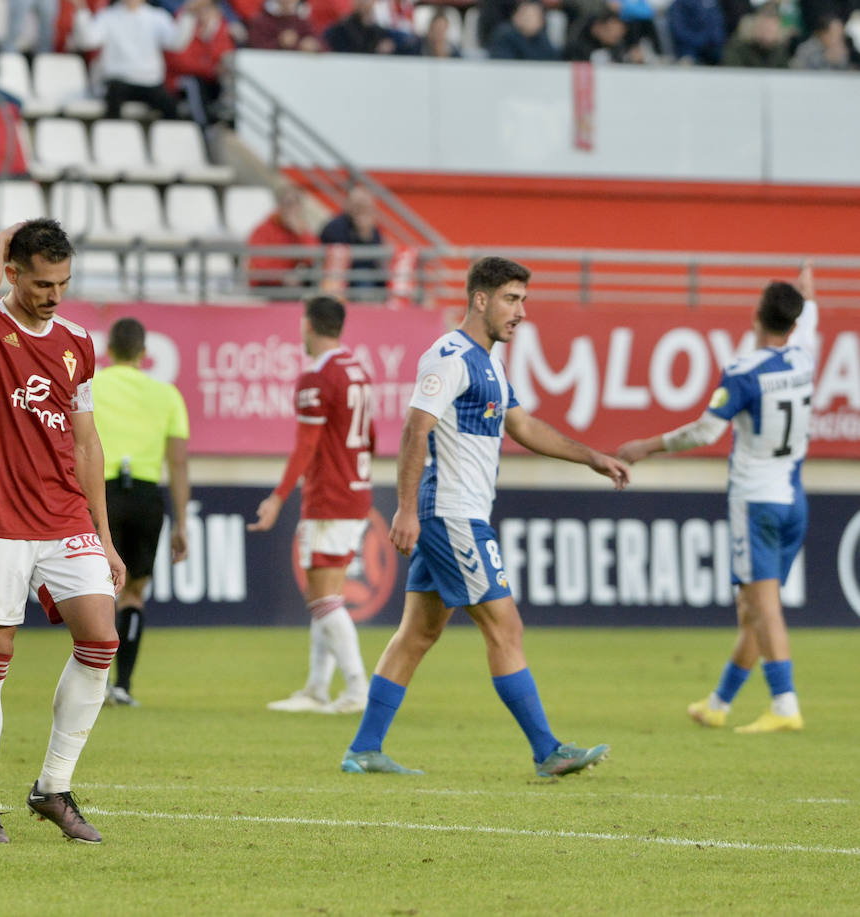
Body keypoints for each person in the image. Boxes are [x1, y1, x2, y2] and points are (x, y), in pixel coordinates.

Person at [341, 256, 629, 778]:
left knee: (418, 634)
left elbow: (523, 426)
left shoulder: (489, 362)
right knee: (505, 626)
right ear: (480, 299)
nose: (521, 312)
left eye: (523, 301)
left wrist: (592, 457)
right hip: (452, 514)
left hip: (452, 513)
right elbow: (414, 428)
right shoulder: (450, 356)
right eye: (511, 300)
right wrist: (404, 509)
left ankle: (364, 749)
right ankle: (548, 751)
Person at [0, 218, 124, 845]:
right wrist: (0, 238)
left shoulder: (78, 341)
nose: (54, 295)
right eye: (43, 282)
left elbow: (86, 441)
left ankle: (53, 786)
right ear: (14, 273)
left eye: (64, 283)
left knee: (101, 638)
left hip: (64, 515)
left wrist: (103, 534)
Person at [616, 264, 817, 734]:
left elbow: (707, 430)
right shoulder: (805, 358)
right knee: (751, 607)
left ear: (755, 316)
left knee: (763, 605)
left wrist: (646, 446)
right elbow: (808, 324)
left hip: (757, 501)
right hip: (795, 496)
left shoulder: (745, 372)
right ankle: (719, 703)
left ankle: (785, 704)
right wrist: (809, 298)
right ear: (794, 322)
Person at [248, 297, 373, 714]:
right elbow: (369, 435)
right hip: (356, 488)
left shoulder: (316, 377)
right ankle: (317, 689)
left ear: (308, 326)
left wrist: (278, 497)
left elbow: (307, 444)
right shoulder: (356, 370)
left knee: (322, 598)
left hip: (330, 495)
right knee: (328, 595)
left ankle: (357, 689)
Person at [90, 316, 190, 707]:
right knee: (133, 594)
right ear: (145, 354)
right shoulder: (167, 395)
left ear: (109, 351)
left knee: (95, 593)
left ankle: (93, 684)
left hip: (103, 495)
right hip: (147, 497)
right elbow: (179, 463)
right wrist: (181, 523)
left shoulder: (92, 385)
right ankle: (123, 686)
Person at [72, 0, 207, 121]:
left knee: (172, 110)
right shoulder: (108, 16)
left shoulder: (156, 17)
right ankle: (113, 145)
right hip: (118, 81)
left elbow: (176, 43)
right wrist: (81, 11)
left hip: (150, 82)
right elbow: (88, 40)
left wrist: (188, 14)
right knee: (112, 109)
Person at [246, 183, 318, 289]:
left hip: (295, 285)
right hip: (268, 286)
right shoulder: (263, 229)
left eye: (297, 203)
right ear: (279, 205)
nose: (293, 209)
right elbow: (259, 264)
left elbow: (314, 258)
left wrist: (301, 234)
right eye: (288, 203)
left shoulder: (302, 230)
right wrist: (283, 276)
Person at [319, 183, 384, 288]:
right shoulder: (336, 225)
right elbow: (340, 257)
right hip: (341, 277)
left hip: (367, 276)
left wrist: (367, 234)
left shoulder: (373, 228)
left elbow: (376, 257)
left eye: (364, 205)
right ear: (348, 204)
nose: (360, 209)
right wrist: (362, 234)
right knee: (363, 276)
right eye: (357, 204)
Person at [488, 0, 560, 60]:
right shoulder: (505, 35)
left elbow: (552, 59)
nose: (531, 20)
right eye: (528, 16)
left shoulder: (542, 38)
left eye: (535, 16)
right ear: (516, 16)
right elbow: (503, 63)